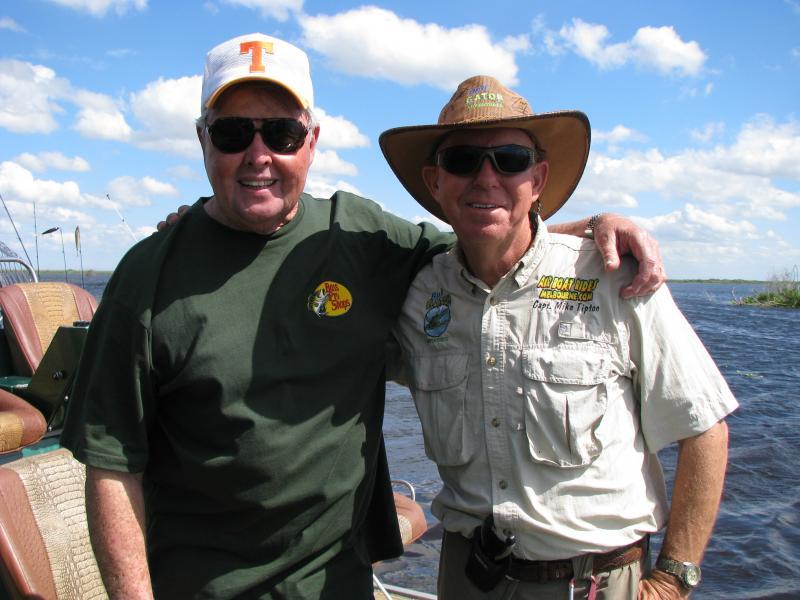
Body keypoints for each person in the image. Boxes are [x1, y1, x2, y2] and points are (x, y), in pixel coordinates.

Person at [60, 34, 664, 599]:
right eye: (234, 133)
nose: (258, 154)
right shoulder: (147, 277)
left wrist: (588, 230)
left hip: (340, 582)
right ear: (202, 140)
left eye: (281, 133)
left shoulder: (362, 235)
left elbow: (485, 240)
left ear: (312, 142)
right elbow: (113, 468)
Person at [382, 75, 738, 599]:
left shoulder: (617, 276)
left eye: (510, 159)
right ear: (436, 182)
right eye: (462, 160)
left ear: (538, 178)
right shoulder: (417, 295)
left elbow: (704, 430)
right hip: (467, 576)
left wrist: (671, 580)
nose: (487, 177)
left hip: (595, 582)